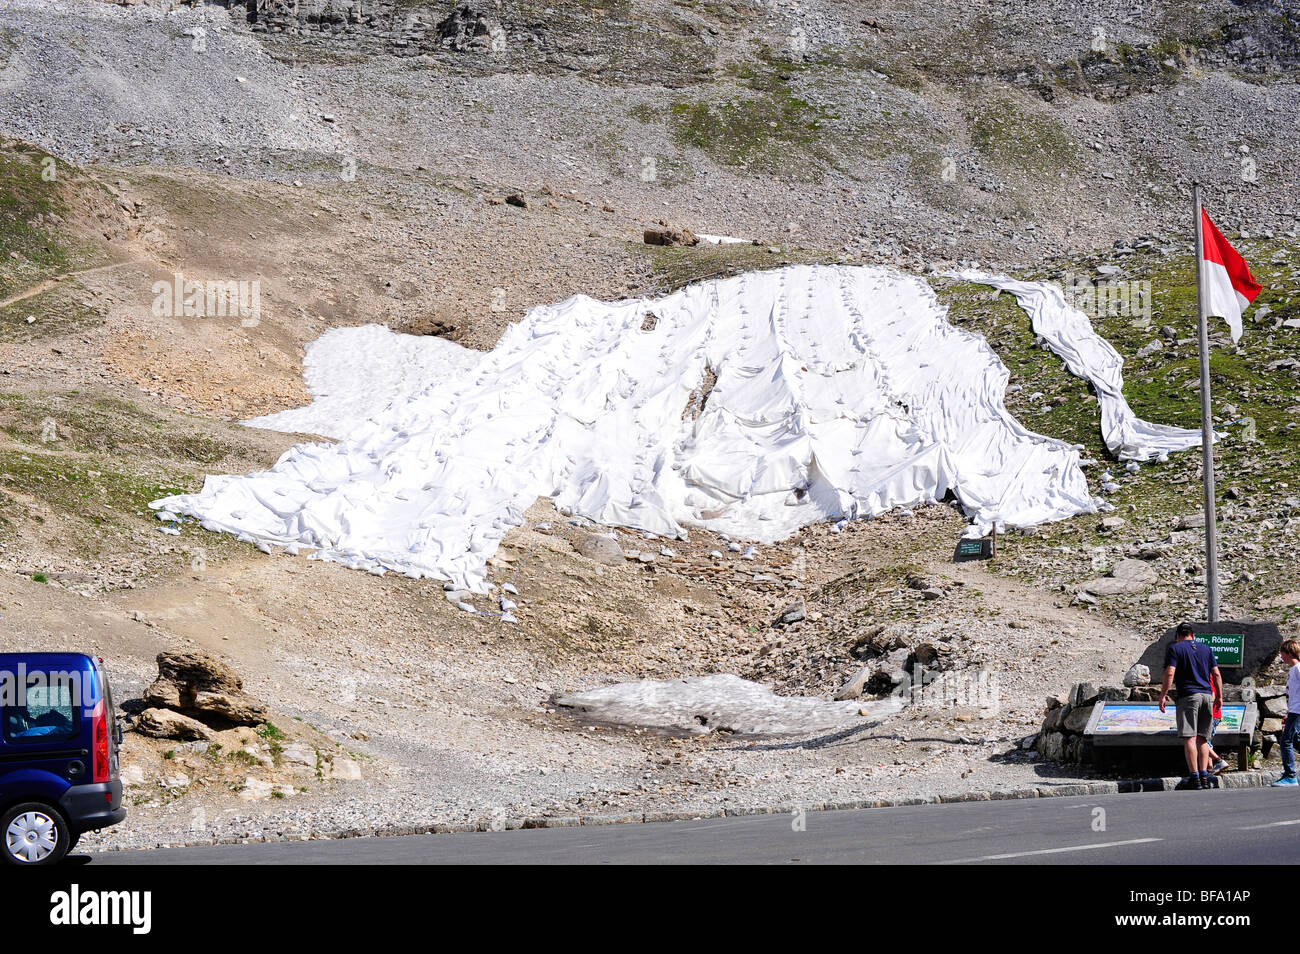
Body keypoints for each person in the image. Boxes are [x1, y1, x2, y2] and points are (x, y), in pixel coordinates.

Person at [1158, 622, 1222, 790]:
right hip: (1207, 696)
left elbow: (1170, 672)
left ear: (1178, 636)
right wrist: (1220, 697)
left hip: (1188, 696)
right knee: (1203, 738)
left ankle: (1194, 777)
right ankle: (1205, 776)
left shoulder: (1175, 648)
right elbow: (1216, 673)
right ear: (1193, 635)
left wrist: (1163, 695)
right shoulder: (1206, 649)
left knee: (1189, 737)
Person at [1270, 639, 1300, 787]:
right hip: (1294, 711)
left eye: (1282, 653)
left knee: (1286, 742)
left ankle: (1290, 775)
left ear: (1288, 652)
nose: (1281, 657)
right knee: (1296, 741)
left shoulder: (1298, 669)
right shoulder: (1294, 670)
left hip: (1298, 711)